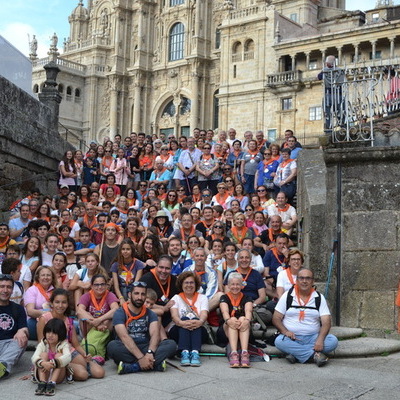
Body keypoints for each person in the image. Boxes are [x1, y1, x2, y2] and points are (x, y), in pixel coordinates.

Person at [107, 282, 177, 374]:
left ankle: (133, 367)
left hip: (146, 347)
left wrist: (150, 352)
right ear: (129, 294)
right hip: (127, 348)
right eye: (136, 293)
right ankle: (154, 364)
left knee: (171, 344)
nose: (139, 297)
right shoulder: (120, 312)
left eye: (143, 294)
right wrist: (141, 357)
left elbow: (155, 335)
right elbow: (124, 337)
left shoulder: (151, 313)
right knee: (112, 346)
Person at [273, 268, 339, 366]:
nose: (304, 281)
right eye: (301, 278)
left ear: (313, 281)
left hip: (313, 337)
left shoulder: (319, 298)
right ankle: (315, 355)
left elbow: (326, 322)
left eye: (308, 278)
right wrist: (285, 331)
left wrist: (320, 340)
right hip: (292, 338)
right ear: (297, 280)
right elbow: (276, 318)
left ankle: (296, 354)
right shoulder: (288, 296)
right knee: (279, 341)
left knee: (333, 341)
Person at [36, 288, 105, 381]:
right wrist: (38, 364)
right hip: (53, 354)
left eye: (64, 302)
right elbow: (41, 344)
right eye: (57, 302)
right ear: (52, 303)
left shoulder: (68, 320)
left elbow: (75, 344)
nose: (60, 305)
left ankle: (71, 366)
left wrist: (85, 355)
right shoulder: (44, 319)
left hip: (69, 351)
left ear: (68, 304)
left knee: (99, 372)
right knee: (83, 374)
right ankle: (64, 368)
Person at [169, 271, 209, 367]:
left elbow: (204, 314)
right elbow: (174, 316)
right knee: (185, 318)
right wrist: (182, 323)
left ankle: (195, 353)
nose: (189, 285)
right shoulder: (176, 298)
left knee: (194, 318)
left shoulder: (203, 298)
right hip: (179, 329)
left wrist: (199, 321)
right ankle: (185, 352)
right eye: (186, 283)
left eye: (192, 282)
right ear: (181, 284)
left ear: (196, 284)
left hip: (199, 329)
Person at [219, 272, 253, 368]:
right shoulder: (224, 297)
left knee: (243, 318)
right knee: (232, 319)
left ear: (242, 286)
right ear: (228, 286)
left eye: (238, 284)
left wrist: (246, 321)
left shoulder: (247, 297)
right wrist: (229, 320)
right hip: (226, 328)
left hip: (243, 327)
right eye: (232, 284)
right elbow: (224, 312)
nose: (235, 287)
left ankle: (244, 353)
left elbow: (248, 311)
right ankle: (234, 353)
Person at [31, 319, 71, 396]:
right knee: (43, 354)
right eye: (48, 332)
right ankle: (42, 383)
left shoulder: (64, 344)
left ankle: (52, 384)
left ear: (61, 334)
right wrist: (43, 363)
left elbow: (68, 357)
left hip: (58, 376)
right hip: (44, 372)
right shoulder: (43, 343)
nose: (50, 335)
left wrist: (53, 363)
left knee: (59, 355)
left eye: (54, 333)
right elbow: (33, 357)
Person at [0, 273, 28, 380]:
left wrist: (22, 330)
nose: (5, 290)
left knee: (21, 339)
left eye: (9, 287)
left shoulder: (18, 309)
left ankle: (2, 366)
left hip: (10, 346)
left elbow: (24, 328)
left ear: (12, 290)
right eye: (2, 286)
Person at [24, 266, 57, 340]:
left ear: (52, 277)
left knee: (74, 325)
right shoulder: (32, 290)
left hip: (54, 321)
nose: (46, 277)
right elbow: (30, 311)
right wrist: (48, 314)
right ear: (38, 277)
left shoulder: (56, 291)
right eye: (43, 275)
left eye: (48, 275)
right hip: (34, 321)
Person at [318, 55, 345, 133]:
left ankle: (330, 128)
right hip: (337, 93)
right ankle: (342, 126)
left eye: (327, 63)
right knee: (338, 111)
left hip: (330, 93)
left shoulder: (325, 70)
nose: (326, 64)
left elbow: (319, 77)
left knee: (330, 111)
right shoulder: (339, 70)